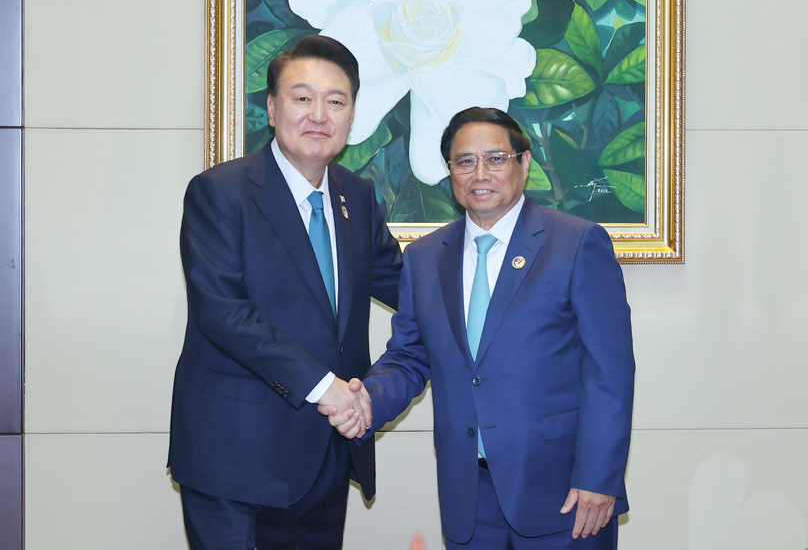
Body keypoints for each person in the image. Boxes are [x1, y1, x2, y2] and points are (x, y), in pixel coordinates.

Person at [326, 107, 635, 549]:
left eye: (496, 158)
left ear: (524, 163)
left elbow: (611, 370)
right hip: (467, 493)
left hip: (564, 492)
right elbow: (410, 355)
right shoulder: (425, 257)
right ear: (450, 171)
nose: (480, 173)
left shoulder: (577, 243)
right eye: (465, 161)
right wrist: (369, 400)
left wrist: (599, 478)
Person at [168, 35, 402, 550]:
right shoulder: (220, 192)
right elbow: (223, 313)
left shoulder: (356, 197)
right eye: (302, 98)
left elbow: (409, 287)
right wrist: (326, 386)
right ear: (273, 109)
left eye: (336, 101)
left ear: (352, 114)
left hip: (326, 455)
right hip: (235, 459)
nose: (320, 114)